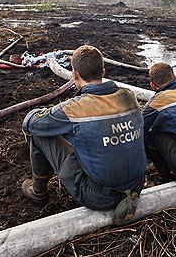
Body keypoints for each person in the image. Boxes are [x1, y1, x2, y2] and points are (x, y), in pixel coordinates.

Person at [21, 45, 146, 211]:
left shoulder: (75, 108)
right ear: (103, 71)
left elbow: (30, 125)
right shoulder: (128, 96)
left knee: (40, 135)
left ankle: (38, 193)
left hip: (100, 198)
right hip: (136, 189)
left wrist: (45, 112)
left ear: (75, 74)